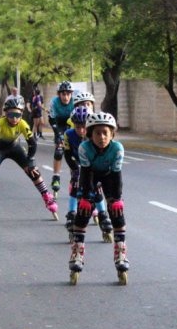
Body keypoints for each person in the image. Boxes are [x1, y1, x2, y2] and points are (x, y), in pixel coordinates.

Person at [0, 96, 58, 222]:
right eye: (11, 114)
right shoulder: (0, 123)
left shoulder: (23, 124)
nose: (14, 118)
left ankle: (47, 196)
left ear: (22, 114)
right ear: (5, 113)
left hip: (15, 148)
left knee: (32, 170)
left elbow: (32, 143)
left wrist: (30, 159)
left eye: (17, 115)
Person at [68, 112, 128, 285]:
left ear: (112, 134)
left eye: (105, 133)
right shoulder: (84, 148)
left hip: (110, 176)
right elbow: (85, 175)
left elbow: (117, 176)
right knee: (83, 212)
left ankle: (121, 252)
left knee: (117, 212)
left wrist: (116, 199)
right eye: (97, 133)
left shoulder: (117, 148)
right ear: (89, 134)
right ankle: (77, 252)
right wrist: (86, 197)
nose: (101, 137)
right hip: (92, 175)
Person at [62, 106, 113, 242]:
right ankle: (72, 213)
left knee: (96, 187)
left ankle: (103, 214)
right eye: (77, 127)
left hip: (93, 164)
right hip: (77, 163)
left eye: (84, 127)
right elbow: (67, 155)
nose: (81, 130)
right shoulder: (68, 135)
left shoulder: (93, 137)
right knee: (75, 184)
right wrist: (75, 170)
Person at [48, 81, 75, 197]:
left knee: (74, 154)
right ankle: (56, 177)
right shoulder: (54, 102)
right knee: (59, 151)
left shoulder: (75, 102)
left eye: (68, 94)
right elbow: (52, 120)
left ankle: (74, 178)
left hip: (72, 124)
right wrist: (59, 136)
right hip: (58, 125)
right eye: (63, 94)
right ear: (59, 95)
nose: (66, 97)